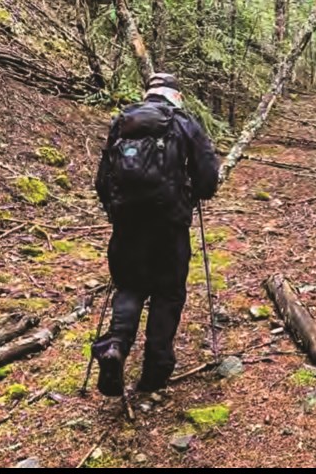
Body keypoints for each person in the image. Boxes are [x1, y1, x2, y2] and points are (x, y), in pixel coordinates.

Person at [92, 73, 220, 396]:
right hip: (169, 228)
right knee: (168, 293)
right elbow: (208, 180)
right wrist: (189, 194)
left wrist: (117, 212)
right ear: (175, 96)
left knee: (130, 287)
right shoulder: (184, 123)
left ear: (148, 94)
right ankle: (155, 372)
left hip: (127, 228)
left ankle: (116, 346)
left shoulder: (123, 121)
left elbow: (101, 181)